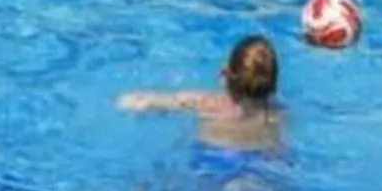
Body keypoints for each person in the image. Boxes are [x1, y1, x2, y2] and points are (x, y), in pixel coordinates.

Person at [121, 35, 285, 152]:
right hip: (258, 164)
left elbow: (138, 101)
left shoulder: (207, 103)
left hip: (211, 158)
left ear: (224, 75)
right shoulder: (279, 114)